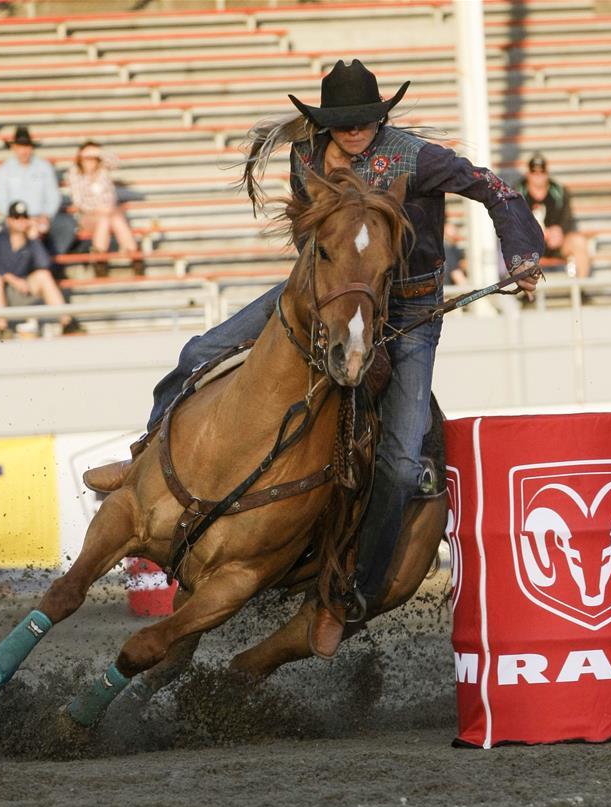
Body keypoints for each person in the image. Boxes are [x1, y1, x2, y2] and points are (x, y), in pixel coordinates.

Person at [85, 60, 543, 636]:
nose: (352, 132)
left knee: (401, 465)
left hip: (407, 310)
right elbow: (311, 236)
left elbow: (492, 188)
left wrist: (522, 253)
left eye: (363, 122)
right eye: (342, 123)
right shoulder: (308, 158)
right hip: (322, 295)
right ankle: (141, 461)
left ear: (381, 117)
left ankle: (357, 590)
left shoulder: (416, 157)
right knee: (198, 353)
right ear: (325, 122)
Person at [0, 200, 85, 339]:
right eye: (16, 218)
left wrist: (35, 239)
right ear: (9, 220)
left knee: (43, 275)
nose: (21, 221)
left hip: (21, 290)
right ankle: (2, 328)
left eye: (24, 218)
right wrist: (12, 279)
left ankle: (67, 322)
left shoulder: (31, 242)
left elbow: (45, 264)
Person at [0, 125, 77, 257]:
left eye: (26, 146)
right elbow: (1, 201)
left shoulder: (44, 167)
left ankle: (51, 261)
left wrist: (45, 216)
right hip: (16, 217)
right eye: (20, 147)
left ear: (31, 148)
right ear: (13, 148)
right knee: (7, 234)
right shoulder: (4, 170)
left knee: (67, 226)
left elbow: (53, 196)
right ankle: (31, 263)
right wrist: (21, 219)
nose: (23, 151)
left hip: (42, 217)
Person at [67, 141, 144, 278]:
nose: (90, 162)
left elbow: (116, 161)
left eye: (93, 158)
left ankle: (110, 258)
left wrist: (97, 152)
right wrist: (99, 209)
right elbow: (79, 202)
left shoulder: (103, 170)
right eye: (87, 158)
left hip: (110, 213)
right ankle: (130, 257)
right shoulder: (75, 173)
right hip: (89, 216)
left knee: (114, 217)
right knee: (108, 217)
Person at [517, 152, 590, 278]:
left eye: (542, 172)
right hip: (530, 244)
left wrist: (560, 231)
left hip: (556, 243)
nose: (538, 176)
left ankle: (580, 290)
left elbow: (567, 219)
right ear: (528, 174)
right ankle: (527, 292)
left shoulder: (558, 191)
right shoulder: (518, 192)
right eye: (535, 173)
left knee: (579, 242)